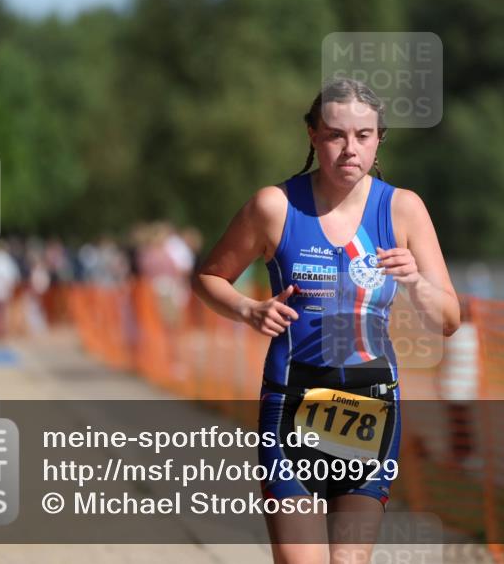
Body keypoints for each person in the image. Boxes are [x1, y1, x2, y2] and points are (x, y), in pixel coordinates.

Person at [195, 78, 460, 564]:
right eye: (336, 135)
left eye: (363, 136)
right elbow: (209, 279)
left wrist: (417, 280)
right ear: (313, 136)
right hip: (292, 402)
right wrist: (249, 310)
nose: (348, 149)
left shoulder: (402, 209)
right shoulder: (274, 206)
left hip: (371, 407)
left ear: (380, 138)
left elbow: (448, 319)